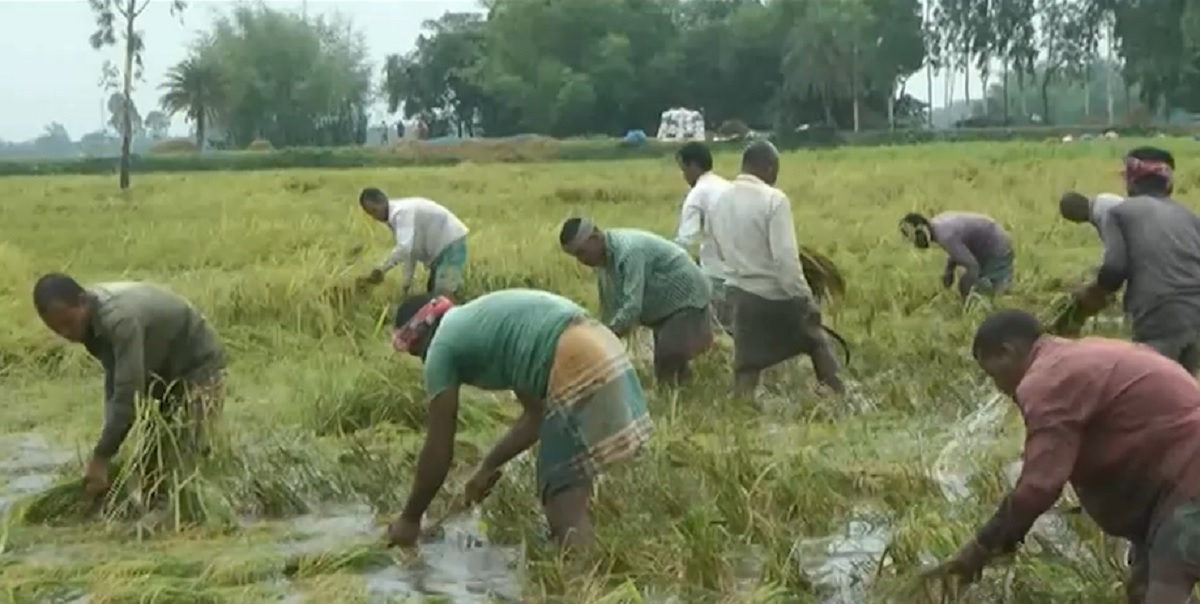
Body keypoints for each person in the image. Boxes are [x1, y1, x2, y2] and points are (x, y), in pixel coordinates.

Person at [925, 308, 1200, 603]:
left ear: (1009, 351)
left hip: (1188, 478)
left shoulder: (1047, 380)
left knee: (1167, 588)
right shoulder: (1078, 355)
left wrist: (978, 550)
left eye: (994, 375)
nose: (999, 388)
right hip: (1170, 481)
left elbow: (1039, 487)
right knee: (1142, 590)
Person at [384, 290, 653, 551]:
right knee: (569, 478)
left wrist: (409, 519)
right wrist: (487, 467)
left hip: (574, 355)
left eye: (417, 354)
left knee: (561, 499)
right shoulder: (483, 324)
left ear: (419, 337)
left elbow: (438, 448)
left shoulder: (441, 347)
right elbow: (536, 416)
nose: (423, 362)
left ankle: (580, 584)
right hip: (599, 342)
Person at [31, 275, 226, 500]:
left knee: (184, 461)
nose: (66, 334)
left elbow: (128, 393)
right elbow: (115, 380)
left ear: (82, 300)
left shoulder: (119, 320)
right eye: (57, 329)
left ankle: (206, 508)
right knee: (153, 467)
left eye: (68, 324)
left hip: (198, 365)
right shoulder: (88, 320)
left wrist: (102, 456)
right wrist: (108, 443)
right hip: (162, 370)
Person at [707, 140, 845, 398]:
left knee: (747, 365)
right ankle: (840, 398)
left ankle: (741, 415)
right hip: (774, 295)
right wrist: (805, 300)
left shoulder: (720, 202)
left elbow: (720, 250)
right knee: (816, 341)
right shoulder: (774, 200)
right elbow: (785, 259)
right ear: (768, 167)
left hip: (741, 297)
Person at [1073, 147, 1200, 374]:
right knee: (1186, 393)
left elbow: (1114, 268)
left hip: (1158, 315)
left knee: (1154, 390)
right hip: (1196, 315)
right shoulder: (1189, 216)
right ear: (1168, 183)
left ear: (1131, 181)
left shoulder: (1122, 212)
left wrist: (1092, 296)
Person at [559, 218, 714, 385]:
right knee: (671, 359)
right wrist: (599, 332)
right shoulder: (605, 263)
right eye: (576, 256)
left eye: (582, 252)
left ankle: (676, 397)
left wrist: (605, 337)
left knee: (667, 359)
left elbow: (632, 307)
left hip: (685, 296)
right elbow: (610, 305)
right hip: (664, 305)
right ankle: (685, 392)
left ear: (595, 237)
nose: (581, 260)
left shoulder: (629, 252)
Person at [357, 187, 470, 298]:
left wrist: (381, 269)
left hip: (450, 245)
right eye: (370, 214)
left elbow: (404, 248)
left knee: (442, 296)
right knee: (433, 293)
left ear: (383, 201)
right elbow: (410, 252)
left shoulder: (401, 213)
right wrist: (406, 286)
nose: (375, 217)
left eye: (374, 211)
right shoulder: (397, 217)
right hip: (442, 250)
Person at [673, 142, 734, 334]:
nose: (684, 176)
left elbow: (686, 239)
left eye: (684, 170)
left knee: (716, 330)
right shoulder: (729, 187)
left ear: (692, 166)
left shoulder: (697, 194)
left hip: (717, 272)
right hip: (745, 272)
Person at [900, 211, 1014, 298]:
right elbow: (959, 247)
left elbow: (972, 266)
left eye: (916, 239)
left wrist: (964, 291)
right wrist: (949, 270)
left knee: (986, 294)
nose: (916, 244)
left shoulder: (945, 236)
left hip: (996, 246)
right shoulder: (937, 225)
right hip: (988, 240)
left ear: (922, 230)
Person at [1059, 191, 1124, 241]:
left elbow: (1115, 250)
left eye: (1074, 218)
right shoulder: (1101, 200)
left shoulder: (1100, 214)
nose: (1077, 223)